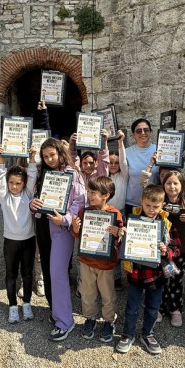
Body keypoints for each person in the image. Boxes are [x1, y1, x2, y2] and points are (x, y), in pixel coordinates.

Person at [30, 137, 86, 341]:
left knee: (57, 272)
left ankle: (65, 321)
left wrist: (66, 219)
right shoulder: (43, 173)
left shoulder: (73, 173)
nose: (49, 159)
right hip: (44, 224)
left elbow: (80, 201)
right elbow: (36, 196)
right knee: (49, 269)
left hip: (62, 227)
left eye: (52, 154)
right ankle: (58, 313)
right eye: (45, 156)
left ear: (60, 153)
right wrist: (33, 204)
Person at [116, 185, 180, 355]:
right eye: (147, 206)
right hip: (136, 273)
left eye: (155, 206)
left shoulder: (166, 223)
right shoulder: (132, 220)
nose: (151, 210)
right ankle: (127, 334)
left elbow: (176, 245)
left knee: (153, 307)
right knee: (132, 307)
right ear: (141, 202)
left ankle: (148, 333)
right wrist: (122, 235)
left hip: (156, 274)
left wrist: (167, 250)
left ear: (162, 205)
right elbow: (120, 246)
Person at [70, 176, 124, 343]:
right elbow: (77, 235)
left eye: (93, 192)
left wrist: (118, 233)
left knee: (108, 295)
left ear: (105, 195)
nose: (90, 195)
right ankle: (90, 318)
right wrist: (75, 228)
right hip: (86, 262)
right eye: (89, 191)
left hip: (106, 265)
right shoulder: (84, 212)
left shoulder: (115, 214)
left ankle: (109, 320)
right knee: (87, 293)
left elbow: (120, 237)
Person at [0, 145, 38, 324]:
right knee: (11, 273)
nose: (14, 186)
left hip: (28, 239)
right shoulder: (4, 197)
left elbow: (33, 173)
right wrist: (1, 160)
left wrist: (32, 158)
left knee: (27, 273)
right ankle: (13, 306)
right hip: (10, 241)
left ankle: (27, 303)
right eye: (11, 183)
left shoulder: (28, 194)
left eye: (18, 183)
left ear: (24, 183)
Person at [157, 170, 185, 327]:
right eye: (168, 183)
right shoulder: (160, 202)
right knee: (161, 277)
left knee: (176, 279)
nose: (172, 186)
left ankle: (175, 309)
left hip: (180, 249)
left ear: (182, 185)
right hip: (162, 248)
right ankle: (159, 307)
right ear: (163, 185)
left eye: (175, 183)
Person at [107, 130, 129, 290]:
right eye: (110, 162)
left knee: (118, 247)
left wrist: (120, 144)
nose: (113, 165)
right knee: (106, 246)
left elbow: (124, 162)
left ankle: (117, 277)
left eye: (115, 162)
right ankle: (106, 277)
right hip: (106, 214)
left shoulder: (123, 176)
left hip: (120, 213)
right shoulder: (103, 176)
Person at [124, 119, 158, 216]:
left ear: (151, 132)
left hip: (153, 205)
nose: (143, 133)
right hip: (131, 204)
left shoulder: (159, 151)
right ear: (133, 134)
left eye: (146, 130)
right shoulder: (126, 152)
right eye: (139, 131)